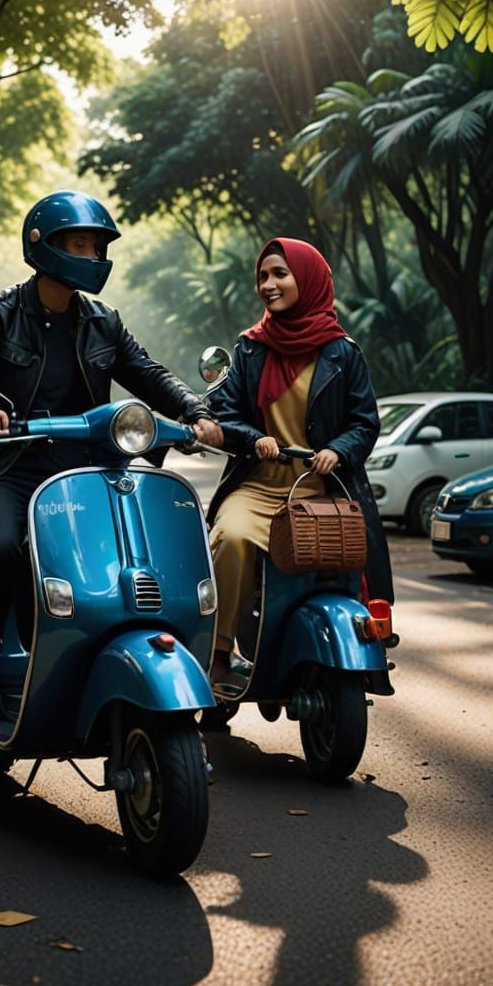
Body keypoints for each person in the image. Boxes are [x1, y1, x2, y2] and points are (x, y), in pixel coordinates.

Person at [0, 189, 223, 722]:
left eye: (97, 247)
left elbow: (147, 372)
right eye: (80, 244)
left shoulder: (102, 321)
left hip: (84, 472)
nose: (92, 257)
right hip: (7, 468)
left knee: (123, 556)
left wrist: (193, 410)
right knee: (1, 547)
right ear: (45, 247)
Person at [205, 237, 393, 692]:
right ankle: (219, 651)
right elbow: (225, 415)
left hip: (321, 489)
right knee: (228, 539)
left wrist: (340, 450)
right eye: (263, 276)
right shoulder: (249, 349)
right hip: (259, 486)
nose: (269, 284)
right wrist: (255, 438)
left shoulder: (342, 352)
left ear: (307, 280)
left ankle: (338, 644)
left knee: (341, 562)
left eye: (280, 274)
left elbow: (365, 422)